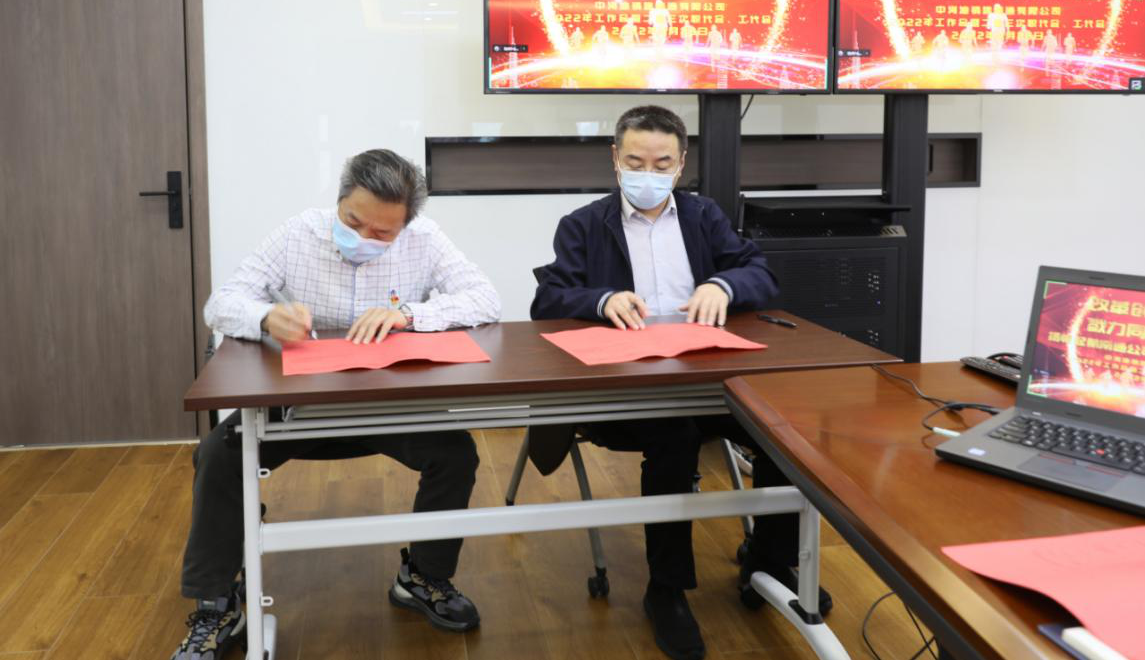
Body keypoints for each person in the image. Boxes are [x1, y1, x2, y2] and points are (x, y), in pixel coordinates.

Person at [171, 150, 501, 660]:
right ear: (340, 200)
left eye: (382, 233)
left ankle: (423, 577)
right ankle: (219, 604)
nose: (364, 237)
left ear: (405, 225)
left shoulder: (425, 239)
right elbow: (221, 303)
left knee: (455, 453)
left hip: (385, 402)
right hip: (297, 404)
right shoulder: (297, 234)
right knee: (217, 455)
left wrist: (409, 315)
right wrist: (265, 317)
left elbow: (485, 299)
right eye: (353, 222)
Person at [531, 106, 828, 660]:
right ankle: (666, 589)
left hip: (706, 377)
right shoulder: (583, 224)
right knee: (674, 437)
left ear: (681, 163)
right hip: (627, 389)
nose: (649, 173)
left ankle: (767, 560)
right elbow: (548, 300)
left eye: (662, 163)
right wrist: (600, 299)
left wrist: (723, 284)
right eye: (636, 161)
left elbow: (760, 272)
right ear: (615, 158)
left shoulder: (703, 215)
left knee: (780, 428)